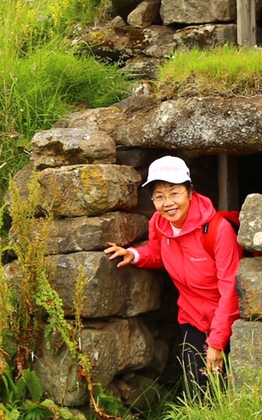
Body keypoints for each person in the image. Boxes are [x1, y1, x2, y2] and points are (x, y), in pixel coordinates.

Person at [102, 155, 239, 391]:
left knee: (234, 394)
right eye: (159, 196)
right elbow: (158, 253)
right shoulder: (159, 224)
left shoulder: (218, 230)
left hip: (228, 323)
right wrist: (134, 255)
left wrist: (217, 341)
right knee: (199, 394)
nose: (168, 203)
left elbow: (230, 289)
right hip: (192, 320)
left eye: (174, 193)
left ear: (190, 191)